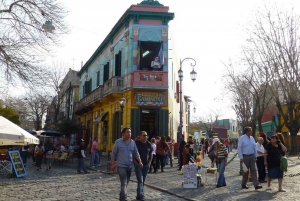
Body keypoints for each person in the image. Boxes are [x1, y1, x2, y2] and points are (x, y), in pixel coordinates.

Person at [111, 128, 143, 201]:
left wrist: (140, 162)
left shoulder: (132, 142)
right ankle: (123, 198)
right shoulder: (118, 142)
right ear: (123, 133)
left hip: (130, 166)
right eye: (128, 132)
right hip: (121, 166)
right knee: (124, 182)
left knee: (126, 182)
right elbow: (113, 154)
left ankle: (121, 195)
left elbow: (136, 153)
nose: (129, 133)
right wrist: (113, 164)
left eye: (130, 132)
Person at [134, 131, 153, 201]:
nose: (145, 137)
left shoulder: (148, 144)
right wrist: (135, 162)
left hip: (146, 165)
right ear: (140, 136)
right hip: (138, 165)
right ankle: (141, 196)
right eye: (144, 135)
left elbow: (151, 153)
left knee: (142, 181)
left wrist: (149, 162)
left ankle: (138, 195)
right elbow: (133, 154)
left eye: (146, 135)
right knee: (140, 180)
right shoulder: (136, 144)